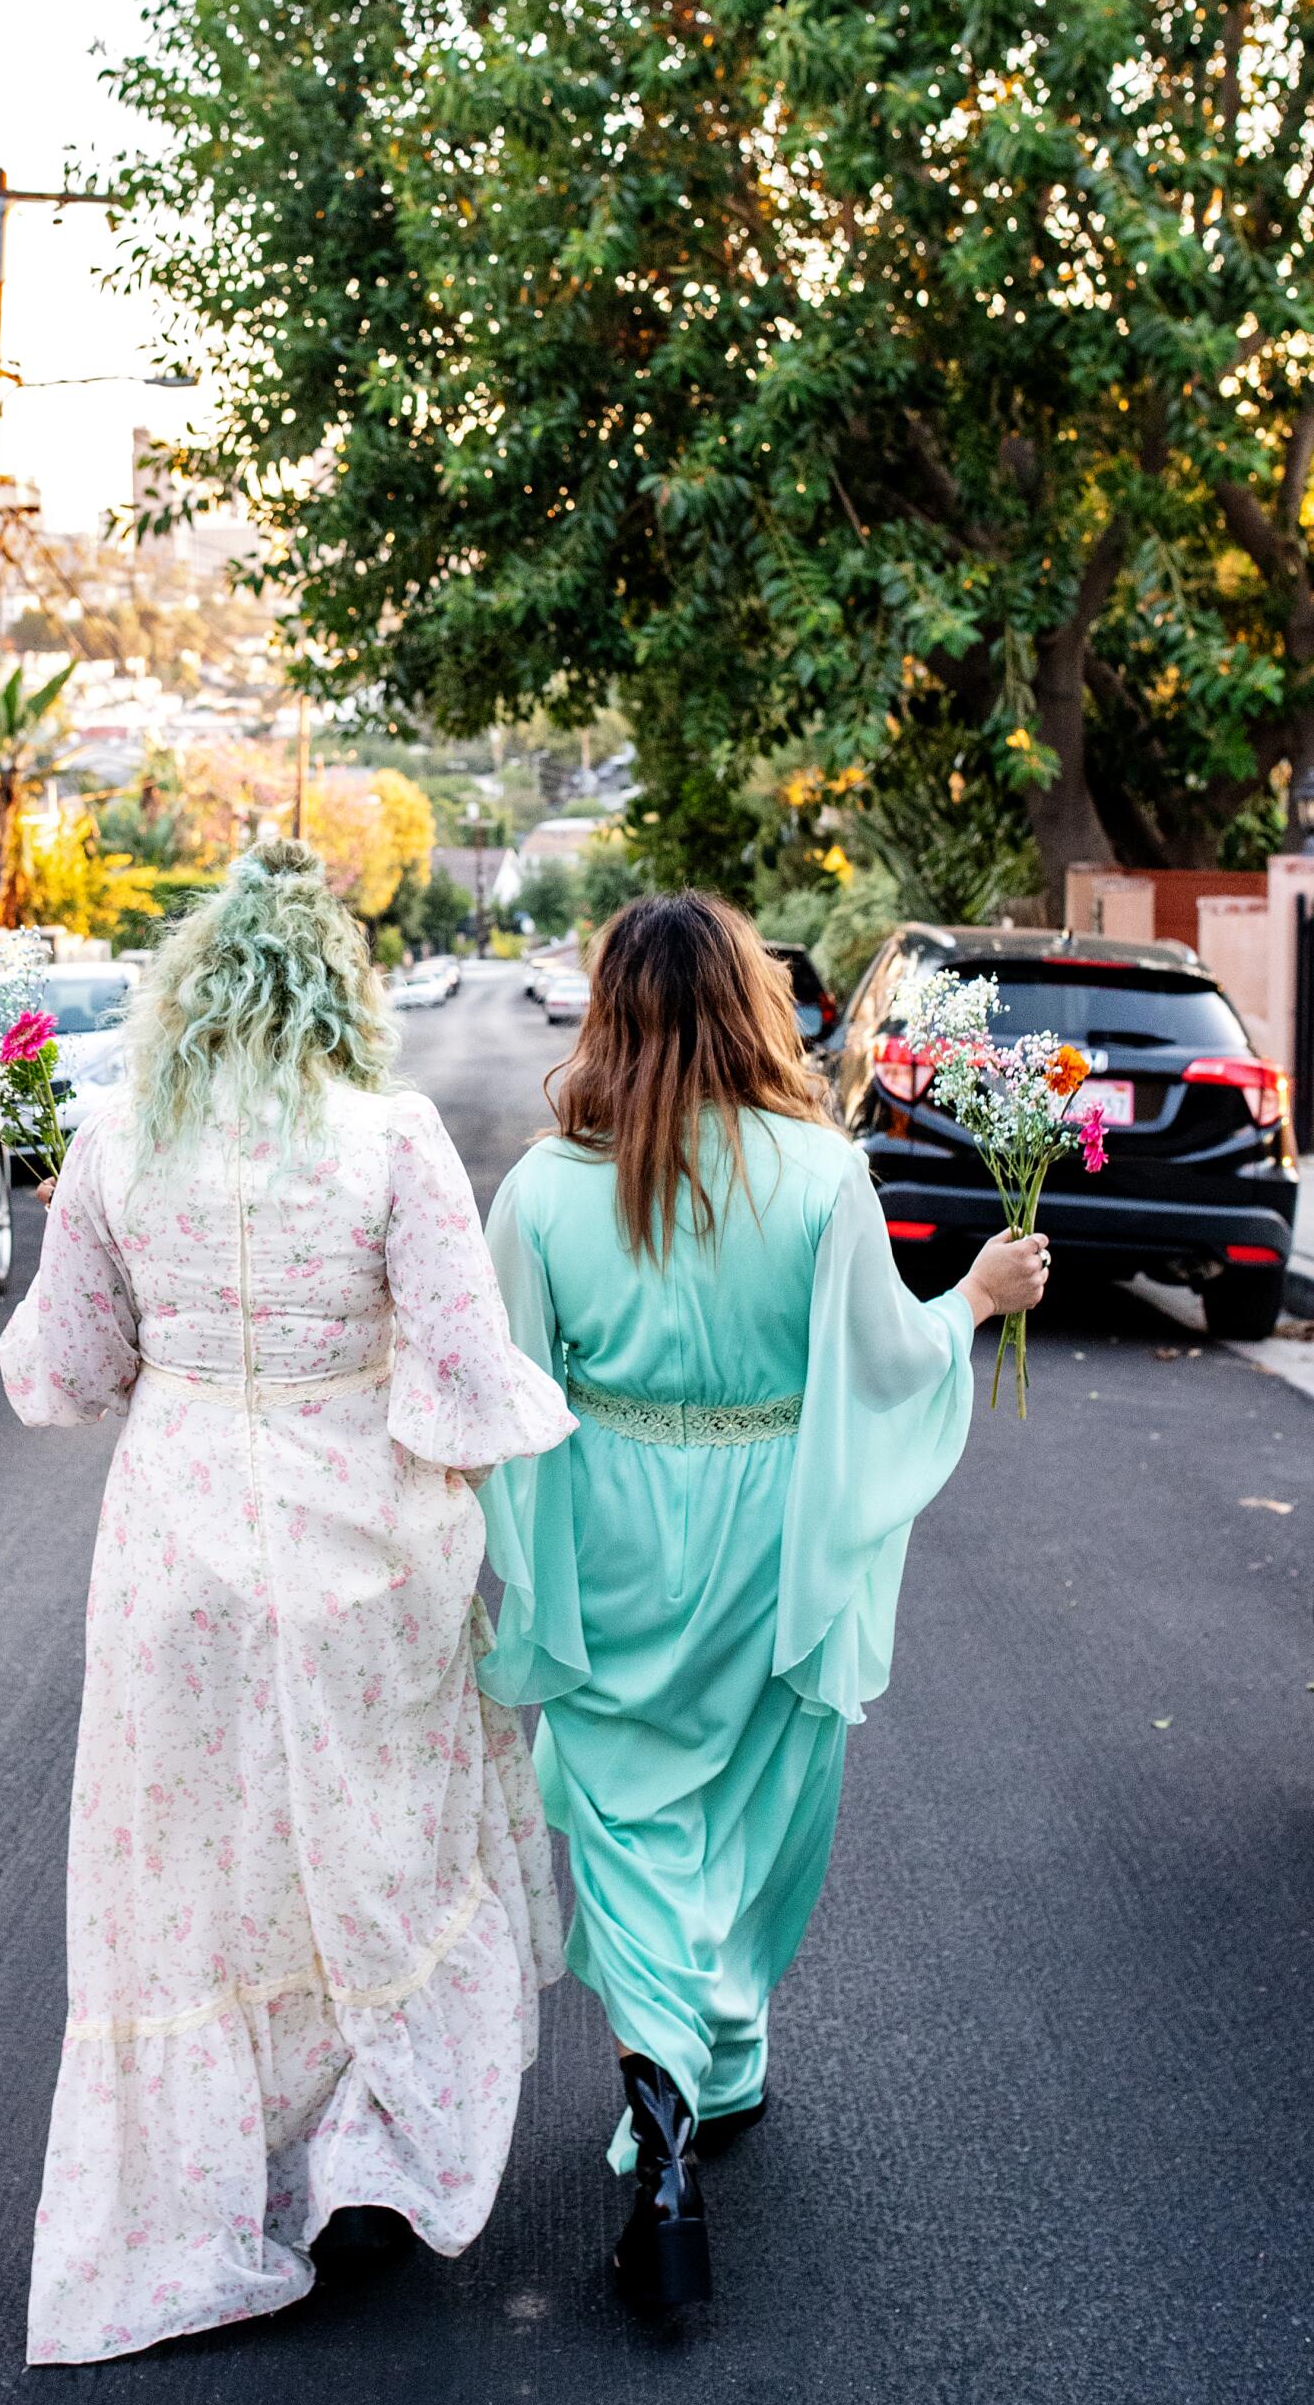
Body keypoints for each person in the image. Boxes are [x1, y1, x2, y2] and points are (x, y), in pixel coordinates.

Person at [0, 839, 577, 2366]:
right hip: (360, 1551)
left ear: (193, 993)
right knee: (364, 1847)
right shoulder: (390, 1135)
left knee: (189, 1877)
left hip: (174, 1549)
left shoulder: (120, 1138)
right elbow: (459, 1370)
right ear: (336, 989)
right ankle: (370, 2149)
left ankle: (205, 2195)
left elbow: (64, 1374)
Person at [478, 890, 1048, 2318]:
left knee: (627, 1812)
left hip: (611, 1525)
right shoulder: (816, 1170)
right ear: (753, 1004)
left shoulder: (548, 1185)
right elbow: (877, 1360)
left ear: (610, 1009)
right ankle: (708, 2055)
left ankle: (672, 2090)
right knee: (751, 1793)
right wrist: (975, 1295)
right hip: (772, 1535)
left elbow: (501, 1387)